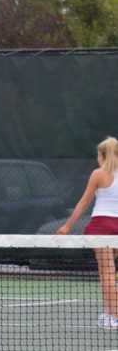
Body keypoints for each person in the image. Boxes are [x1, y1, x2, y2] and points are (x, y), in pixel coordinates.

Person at [57, 136, 118, 329]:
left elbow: (84, 203)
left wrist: (67, 226)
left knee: (107, 274)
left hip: (101, 227)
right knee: (107, 272)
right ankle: (109, 314)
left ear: (102, 155)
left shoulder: (98, 174)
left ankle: (115, 316)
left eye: (98, 156)